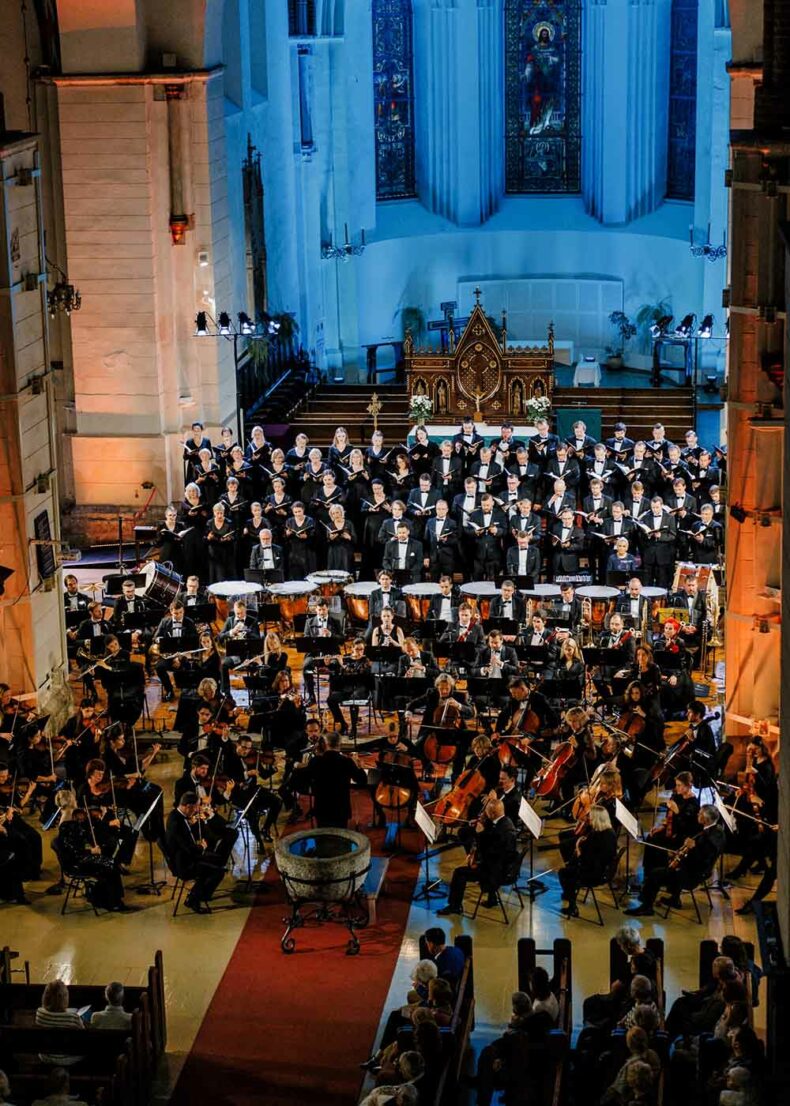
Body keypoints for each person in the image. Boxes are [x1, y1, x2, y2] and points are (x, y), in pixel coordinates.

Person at [625, 804, 726, 915]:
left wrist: (692, 849)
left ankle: (646, 907)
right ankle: (674, 899)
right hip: (695, 869)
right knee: (663, 861)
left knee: (655, 874)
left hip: (693, 875)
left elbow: (702, 860)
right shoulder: (714, 830)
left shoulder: (712, 837)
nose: (698, 814)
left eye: (700, 813)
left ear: (706, 819)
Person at [438, 797, 517, 915]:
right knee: (465, 833)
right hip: (502, 865)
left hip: (495, 871)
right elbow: (492, 835)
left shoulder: (503, 833)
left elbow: (488, 852)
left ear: (493, 813)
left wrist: (480, 835)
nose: (484, 814)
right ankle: (492, 898)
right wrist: (478, 826)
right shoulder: (505, 822)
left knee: (459, 873)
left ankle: (454, 906)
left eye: (487, 812)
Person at [164, 791, 227, 913]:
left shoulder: (176, 815)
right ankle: (194, 899)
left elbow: (186, 841)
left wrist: (194, 825)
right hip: (184, 864)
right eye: (196, 807)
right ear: (188, 806)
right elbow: (187, 848)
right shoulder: (176, 823)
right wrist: (202, 847)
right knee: (218, 872)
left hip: (187, 857)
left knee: (218, 860)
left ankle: (199, 894)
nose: (198, 810)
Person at [557, 804, 617, 917]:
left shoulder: (597, 837)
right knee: (570, 867)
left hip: (594, 874)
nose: (588, 818)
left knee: (563, 873)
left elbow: (589, 860)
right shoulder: (610, 833)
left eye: (590, 817)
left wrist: (579, 852)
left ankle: (572, 906)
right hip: (606, 871)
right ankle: (570, 893)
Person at [305, 731, 367, 828]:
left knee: (322, 838)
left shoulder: (315, 761)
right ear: (339, 744)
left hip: (322, 809)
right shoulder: (347, 762)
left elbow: (305, 781)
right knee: (340, 839)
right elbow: (362, 781)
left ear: (325, 744)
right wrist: (359, 767)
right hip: (341, 810)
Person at [35, 981, 85, 1066]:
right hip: (67, 1058)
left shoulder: (40, 1013)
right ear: (65, 998)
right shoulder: (73, 1018)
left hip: (46, 1056)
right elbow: (84, 1037)